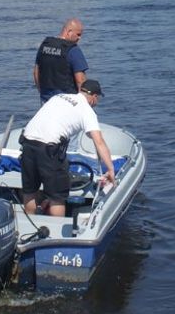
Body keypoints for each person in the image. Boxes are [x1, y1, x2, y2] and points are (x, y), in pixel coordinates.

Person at [20, 79, 117, 217]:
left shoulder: (58, 97)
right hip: (49, 149)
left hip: (27, 143)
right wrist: (111, 170)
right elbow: (99, 142)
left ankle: (29, 223)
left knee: (30, 191)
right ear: (94, 97)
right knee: (57, 197)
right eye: (98, 98)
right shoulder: (87, 111)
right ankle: (55, 234)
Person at [33, 17, 88, 104]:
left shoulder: (45, 44)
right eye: (78, 34)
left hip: (46, 99)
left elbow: (36, 73)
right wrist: (84, 103)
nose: (79, 38)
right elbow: (80, 80)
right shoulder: (73, 50)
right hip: (67, 101)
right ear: (69, 32)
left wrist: (42, 92)